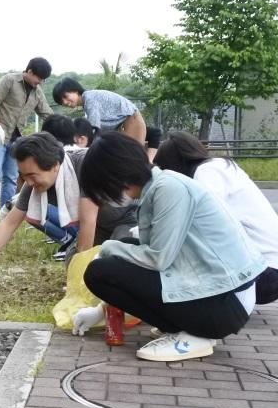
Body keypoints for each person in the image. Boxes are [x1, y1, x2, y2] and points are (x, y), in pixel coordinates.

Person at [78, 131, 265, 361]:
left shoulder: (169, 188)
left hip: (226, 303)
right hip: (221, 294)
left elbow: (158, 259)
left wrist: (106, 247)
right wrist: (100, 311)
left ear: (113, 178)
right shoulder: (160, 186)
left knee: (100, 271)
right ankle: (184, 327)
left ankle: (199, 333)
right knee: (124, 247)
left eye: (101, 190)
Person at [0, 132, 137, 278]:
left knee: (112, 261)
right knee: (72, 261)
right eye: (24, 176)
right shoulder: (34, 184)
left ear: (54, 165)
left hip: (128, 221)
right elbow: (10, 222)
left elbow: (88, 222)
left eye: (32, 175)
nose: (28, 183)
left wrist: (80, 276)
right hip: (101, 226)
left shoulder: (85, 165)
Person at [154, 131, 278, 304]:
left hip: (263, 274)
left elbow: (205, 223)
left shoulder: (207, 172)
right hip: (267, 270)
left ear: (176, 164)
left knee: (184, 254)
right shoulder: (220, 166)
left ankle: (191, 315)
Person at [0, 57, 53, 217]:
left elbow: (46, 113)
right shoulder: (9, 80)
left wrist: (63, 126)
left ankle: (6, 213)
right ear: (30, 71)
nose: (40, 82)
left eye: (43, 79)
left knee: (11, 177)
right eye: (39, 78)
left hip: (16, 139)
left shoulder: (37, 92)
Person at [52, 78, 146, 144]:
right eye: (61, 102)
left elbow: (94, 129)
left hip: (130, 118)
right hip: (123, 123)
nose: (64, 102)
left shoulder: (89, 99)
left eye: (65, 96)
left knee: (135, 157)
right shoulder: (87, 102)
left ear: (75, 90)